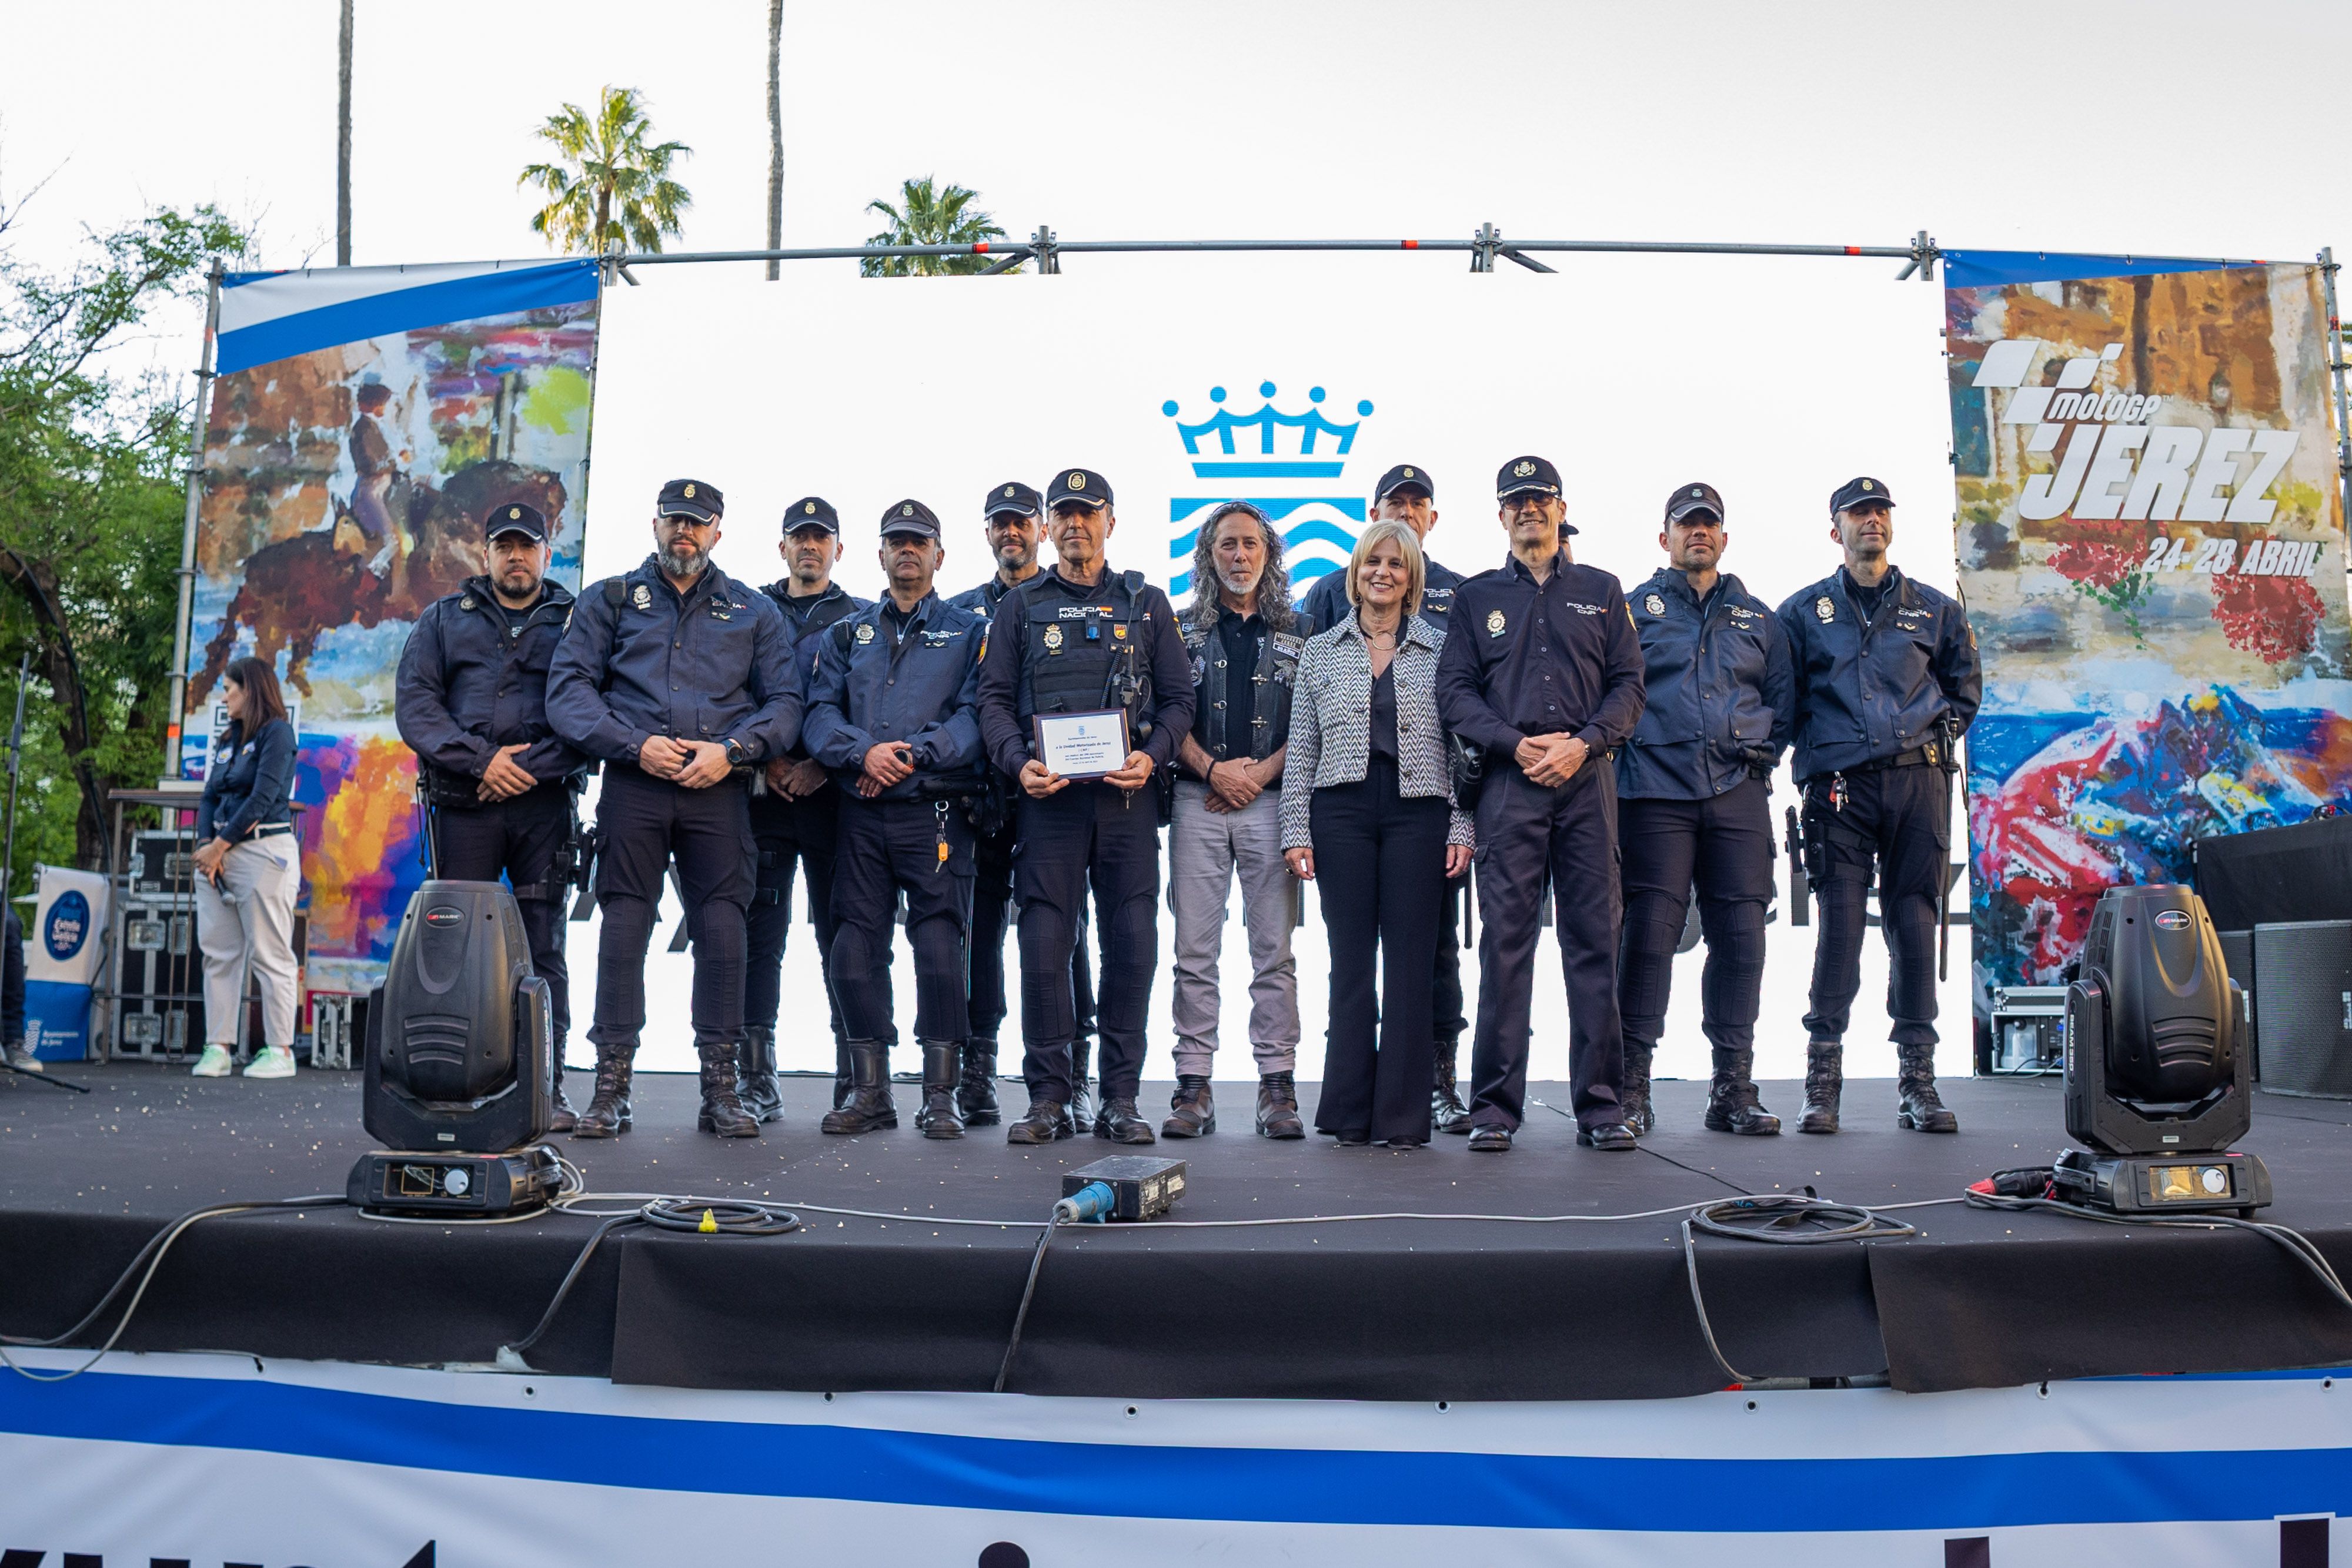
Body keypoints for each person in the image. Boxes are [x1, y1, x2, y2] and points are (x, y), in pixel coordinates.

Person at [547, 478, 799, 1139]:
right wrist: (633, 745)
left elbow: (787, 705)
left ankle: (721, 1090)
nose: (684, 532)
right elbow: (568, 693)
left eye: (697, 523)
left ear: (718, 530)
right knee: (623, 928)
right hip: (635, 785)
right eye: (674, 521)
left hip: (717, 788)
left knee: (722, 933)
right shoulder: (609, 600)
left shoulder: (752, 610)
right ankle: (610, 1090)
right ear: (654, 525)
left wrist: (735, 751)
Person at [976, 467, 1195, 1145]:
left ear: (1110, 521)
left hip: (1125, 807)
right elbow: (991, 702)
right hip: (1050, 806)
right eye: (1063, 514)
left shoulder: (1148, 604)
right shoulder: (1019, 607)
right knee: (1043, 947)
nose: (1075, 525)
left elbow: (1179, 702)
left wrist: (1152, 756)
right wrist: (1019, 765)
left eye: (1087, 513)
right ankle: (1048, 1098)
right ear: (1047, 527)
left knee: (1131, 947)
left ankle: (1120, 1099)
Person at [1437, 456, 1646, 1154]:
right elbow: (1455, 693)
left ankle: (1601, 1108)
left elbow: (1629, 686)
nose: (1529, 510)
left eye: (1540, 499)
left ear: (1562, 510)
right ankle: (1494, 1110)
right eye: (1515, 502)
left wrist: (1584, 744)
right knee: (1505, 948)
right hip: (1509, 785)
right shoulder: (1474, 597)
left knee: (1594, 944)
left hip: (1587, 784)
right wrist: (1513, 745)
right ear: (1500, 517)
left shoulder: (1602, 588)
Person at [1778, 477, 1981, 1135]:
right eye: (1857, 513)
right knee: (1838, 928)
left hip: (1916, 784)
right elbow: (1783, 700)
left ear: (1890, 525)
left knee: (1914, 923)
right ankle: (1821, 1085)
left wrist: (1932, 734)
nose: (1871, 521)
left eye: (1879, 512)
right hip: (1838, 788)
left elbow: (1963, 688)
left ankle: (1918, 1085)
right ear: (1833, 528)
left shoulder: (1933, 607)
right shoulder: (1803, 612)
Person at [395, 501, 587, 1131]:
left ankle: (547, 1091)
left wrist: (527, 767)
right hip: (463, 803)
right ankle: (456, 1083)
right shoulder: (444, 620)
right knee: (455, 949)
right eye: (504, 546)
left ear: (546, 554)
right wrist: (482, 762)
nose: (516, 556)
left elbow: (594, 710)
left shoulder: (577, 621)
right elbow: (417, 709)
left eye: (527, 546)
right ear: (485, 555)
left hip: (544, 807)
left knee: (544, 948)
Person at [803, 500, 989, 1139]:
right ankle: (871, 1093)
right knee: (851, 951)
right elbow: (818, 715)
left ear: (940, 555)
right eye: (895, 542)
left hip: (934, 813)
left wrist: (911, 754)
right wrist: (864, 753)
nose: (907, 551)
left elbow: (974, 718)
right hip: (861, 814)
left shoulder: (970, 631)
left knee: (940, 951)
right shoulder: (846, 633)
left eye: (919, 542)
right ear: (878, 555)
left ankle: (941, 1095)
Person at [1297, 464, 1474, 1133]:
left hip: (1419, 812)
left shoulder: (1442, 647)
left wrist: (1461, 824)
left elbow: (1461, 751)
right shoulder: (1320, 650)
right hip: (1339, 813)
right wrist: (1296, 831)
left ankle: (1402, 1114)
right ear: (1355, 570)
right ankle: (1345, 1111)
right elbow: (1303, 748)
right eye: (1374, 561)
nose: (1383, 574)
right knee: (1350, 967)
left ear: (1413, 577)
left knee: (1408, 966)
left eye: (1396, 565)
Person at [1615, 483, 1793, 1139]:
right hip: (1653, 792)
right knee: (1648, 942)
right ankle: (1633, 1088)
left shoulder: (1760, 619)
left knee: (1742, 942)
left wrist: (1753, 753)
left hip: (1737, 794)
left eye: (1708, 525)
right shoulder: (1632, 610)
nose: (1698, 533)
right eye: (1686, 525)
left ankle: (1732, 1090)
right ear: (1663, 538)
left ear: (1723, 537)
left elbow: (1784, 704)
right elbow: (1613, 693)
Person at [948, 481, 1102, 1132]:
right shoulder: (957, 613)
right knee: (981, 935)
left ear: (1039, 530)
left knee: (1066, 934)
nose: (1011, 533)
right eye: (999, 524)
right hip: (985, 794)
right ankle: (979, 1071)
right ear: (986, 533)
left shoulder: (1068, 601)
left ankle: (1076, 1077)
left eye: (1020, 523)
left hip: (1059, 795)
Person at [1167, 502, 1306, 1141]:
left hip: (1273, 803)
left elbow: (1311, 725)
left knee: (1272, 952)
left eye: (1251, 544)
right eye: (1227, 545)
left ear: (1269, 554)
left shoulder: (1303, 634)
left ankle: (1277, 1088)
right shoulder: (1174, 630)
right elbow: (1160, 717)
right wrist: (1212, 769)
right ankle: (1192, 1086)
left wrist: (1257, 773)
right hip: (1197, 801)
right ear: (1208, 554)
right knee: (1194, 951)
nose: (1240, 556)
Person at [743, 495, 875, 1122]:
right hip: (763, 798)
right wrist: (767, 760)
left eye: (821, 538)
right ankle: (754, 1079)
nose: (810, 547)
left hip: (833, 801)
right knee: (757, 942)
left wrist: (823, 765)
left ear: (838, 551)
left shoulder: (862, 618)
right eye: (800, 537)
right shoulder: (747, 609)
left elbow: (868, 708)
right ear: (783, 546)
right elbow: (735, 693)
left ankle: (854, 1078)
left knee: (840, 941)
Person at [189, 656, 303, 1079]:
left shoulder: (277, 733)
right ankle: (217, 1046)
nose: (224, 696)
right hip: (217, 856)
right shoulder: (227, 738)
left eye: (229, 689)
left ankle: (280, 1050)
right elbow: (207, 796)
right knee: (218, 952)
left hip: (262, 852)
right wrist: (206, 847)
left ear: (250, 689)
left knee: (271, 953)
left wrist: (219, 845)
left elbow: (263, 797)